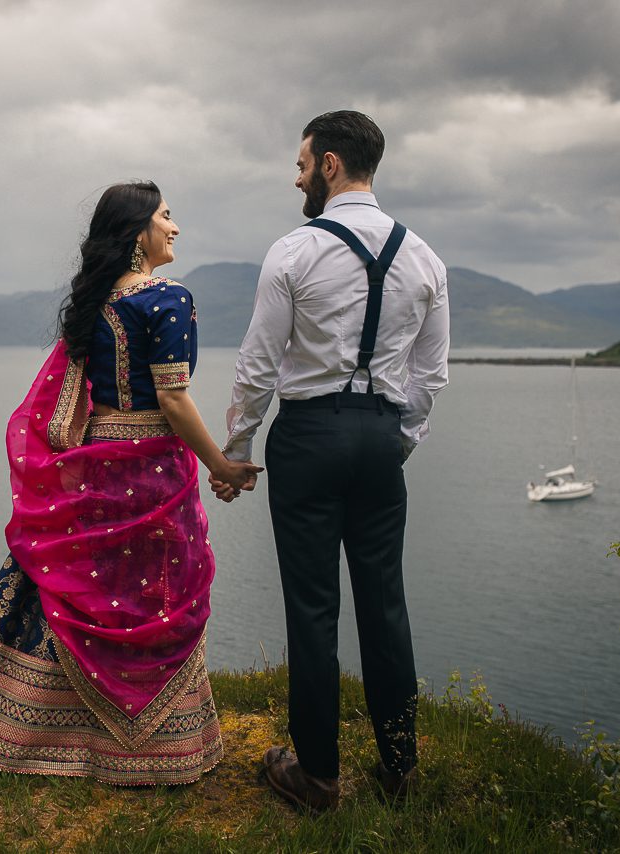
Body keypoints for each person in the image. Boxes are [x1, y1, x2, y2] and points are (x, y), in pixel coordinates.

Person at [0, 181, 261, 785]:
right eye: (166, 216)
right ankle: (157, 752)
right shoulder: (168, 299)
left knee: (83, 587)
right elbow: (173, 399)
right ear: (139, 233)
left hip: (95, 460)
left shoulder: (96, 303)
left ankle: (18, 729)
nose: (176, 227)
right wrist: (219, 464)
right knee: (154, 595)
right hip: (152, 469)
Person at [213, 111, 449, 811]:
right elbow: (430, 379)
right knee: (386, 606)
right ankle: (400, 771)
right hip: (380, 439)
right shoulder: (426, 258)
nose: (298, 176)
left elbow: (257, 367)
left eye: (302, 163)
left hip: (310, 437)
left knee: (313, 609)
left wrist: (235, 454)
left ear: (332, 166)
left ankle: (316, 776)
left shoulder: (292, 252)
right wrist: (393, 442)